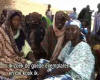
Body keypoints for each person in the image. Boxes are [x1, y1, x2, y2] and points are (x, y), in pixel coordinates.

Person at [0, 10, 31, 80]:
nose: (16, 22)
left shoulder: (18, 32)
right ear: (10, 20)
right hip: (2, 57)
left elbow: (24, 48)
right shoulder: (2, 30)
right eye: (14, 20)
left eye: (18, 20)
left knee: (23, 64)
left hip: (10, 57)